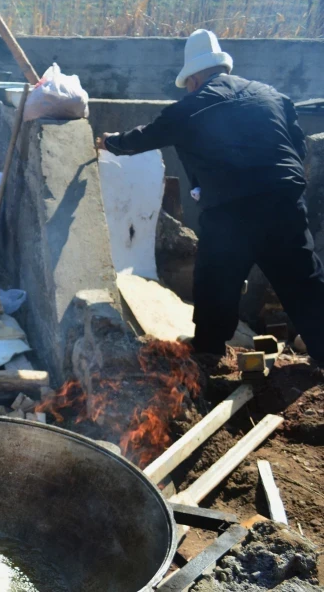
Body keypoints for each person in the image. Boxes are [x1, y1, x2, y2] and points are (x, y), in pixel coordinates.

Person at [96, 29, 324, 362]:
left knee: (216, 279)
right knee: (303, 281)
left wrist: (109, 142)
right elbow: (297, 144)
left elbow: (144, 138)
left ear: (193, 79)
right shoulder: (272, 96)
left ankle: (208, 351)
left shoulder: (188, 109)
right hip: (283, 202)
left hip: (231, 210)